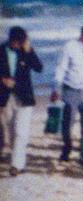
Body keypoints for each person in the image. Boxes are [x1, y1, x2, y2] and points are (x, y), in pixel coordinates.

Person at [52, 23, 83, 167]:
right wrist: (56, 88)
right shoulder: (70, 47)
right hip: (70, 90)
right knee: (67, 124)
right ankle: (67, 148)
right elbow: (61, 67)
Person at [0, 25, 42, 176]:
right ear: (11, 40)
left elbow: (39, 67)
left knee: (21, 132)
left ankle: (16, 165)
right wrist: (2, 80)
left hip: (25, 97)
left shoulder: (26, 51)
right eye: (16, 42)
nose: (18, 45)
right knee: (11, 131)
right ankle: (18, 161)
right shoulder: (1, 50)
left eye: (21, 43)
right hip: (5, 97)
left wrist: (29, 50)